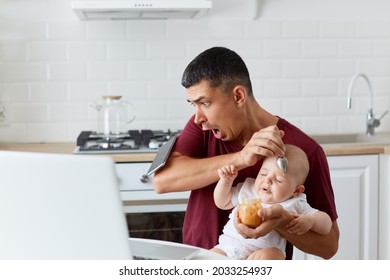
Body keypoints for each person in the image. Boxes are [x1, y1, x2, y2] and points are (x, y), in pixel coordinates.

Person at [153, 46, 339, 259]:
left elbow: (329, 246)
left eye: (205, 103)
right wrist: (240, 158)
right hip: (205, 258)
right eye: (193, 105)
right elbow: (162, 181)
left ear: (239, 96)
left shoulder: (302, 152)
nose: (198, 118)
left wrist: (280, 221)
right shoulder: (203, 128)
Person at [212, 144, 332, 260]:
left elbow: (326, 224)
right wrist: (225, 181)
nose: (267, 180)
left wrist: (311, 221)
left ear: (296, 190)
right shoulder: (249, 189)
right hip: (227, 248)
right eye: (263, 173)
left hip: (261, 253)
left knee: (273, 255)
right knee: (205, 259)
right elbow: (222, 202)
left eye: (279, 180)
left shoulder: (295, 202)